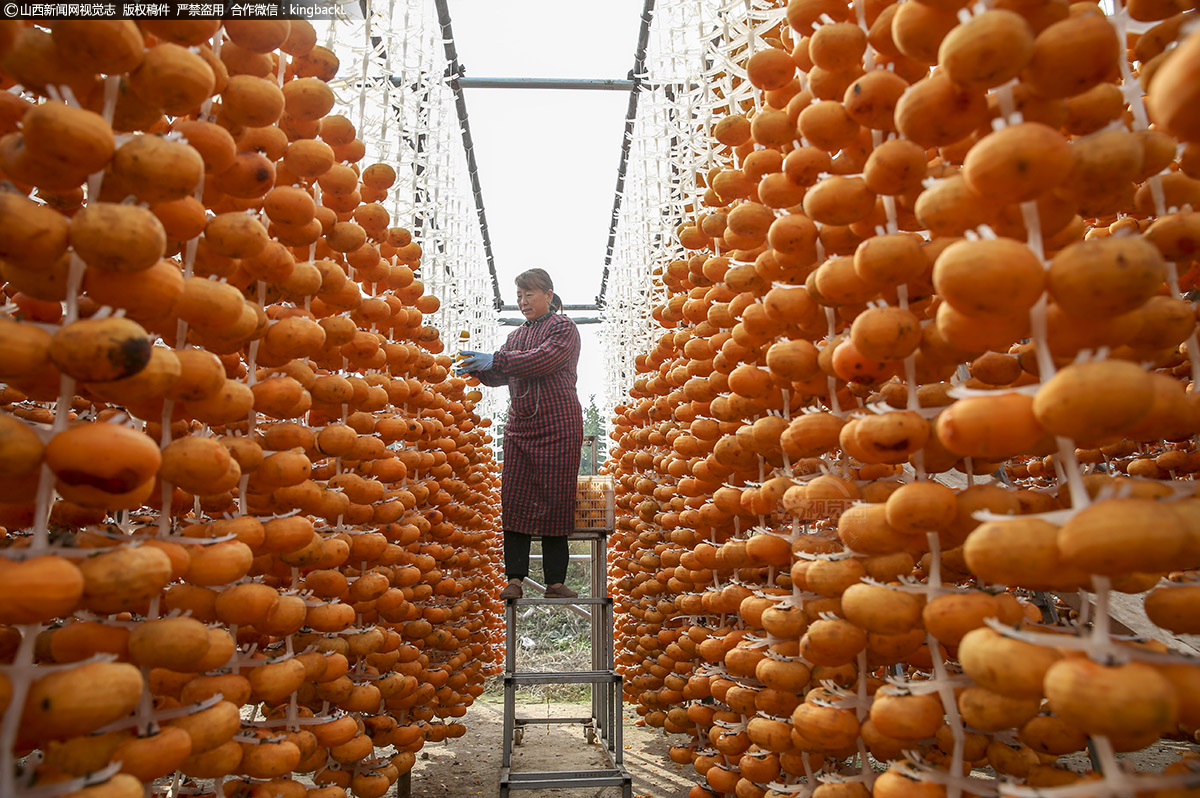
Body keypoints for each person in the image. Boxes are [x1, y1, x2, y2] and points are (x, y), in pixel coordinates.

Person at [458, 268, 583, 600]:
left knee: (556, 500)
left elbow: (542, 360)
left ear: (548, 295)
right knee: (515, 499)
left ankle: (554, 583)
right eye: (518, 296)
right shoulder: (515, 336)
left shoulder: (563, 327)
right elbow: (501, 370)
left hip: (559, 427)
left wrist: (495, 360)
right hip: (520, 427)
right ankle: (515, 579)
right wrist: (478, 369)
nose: (523, 302)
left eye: (529, 295)